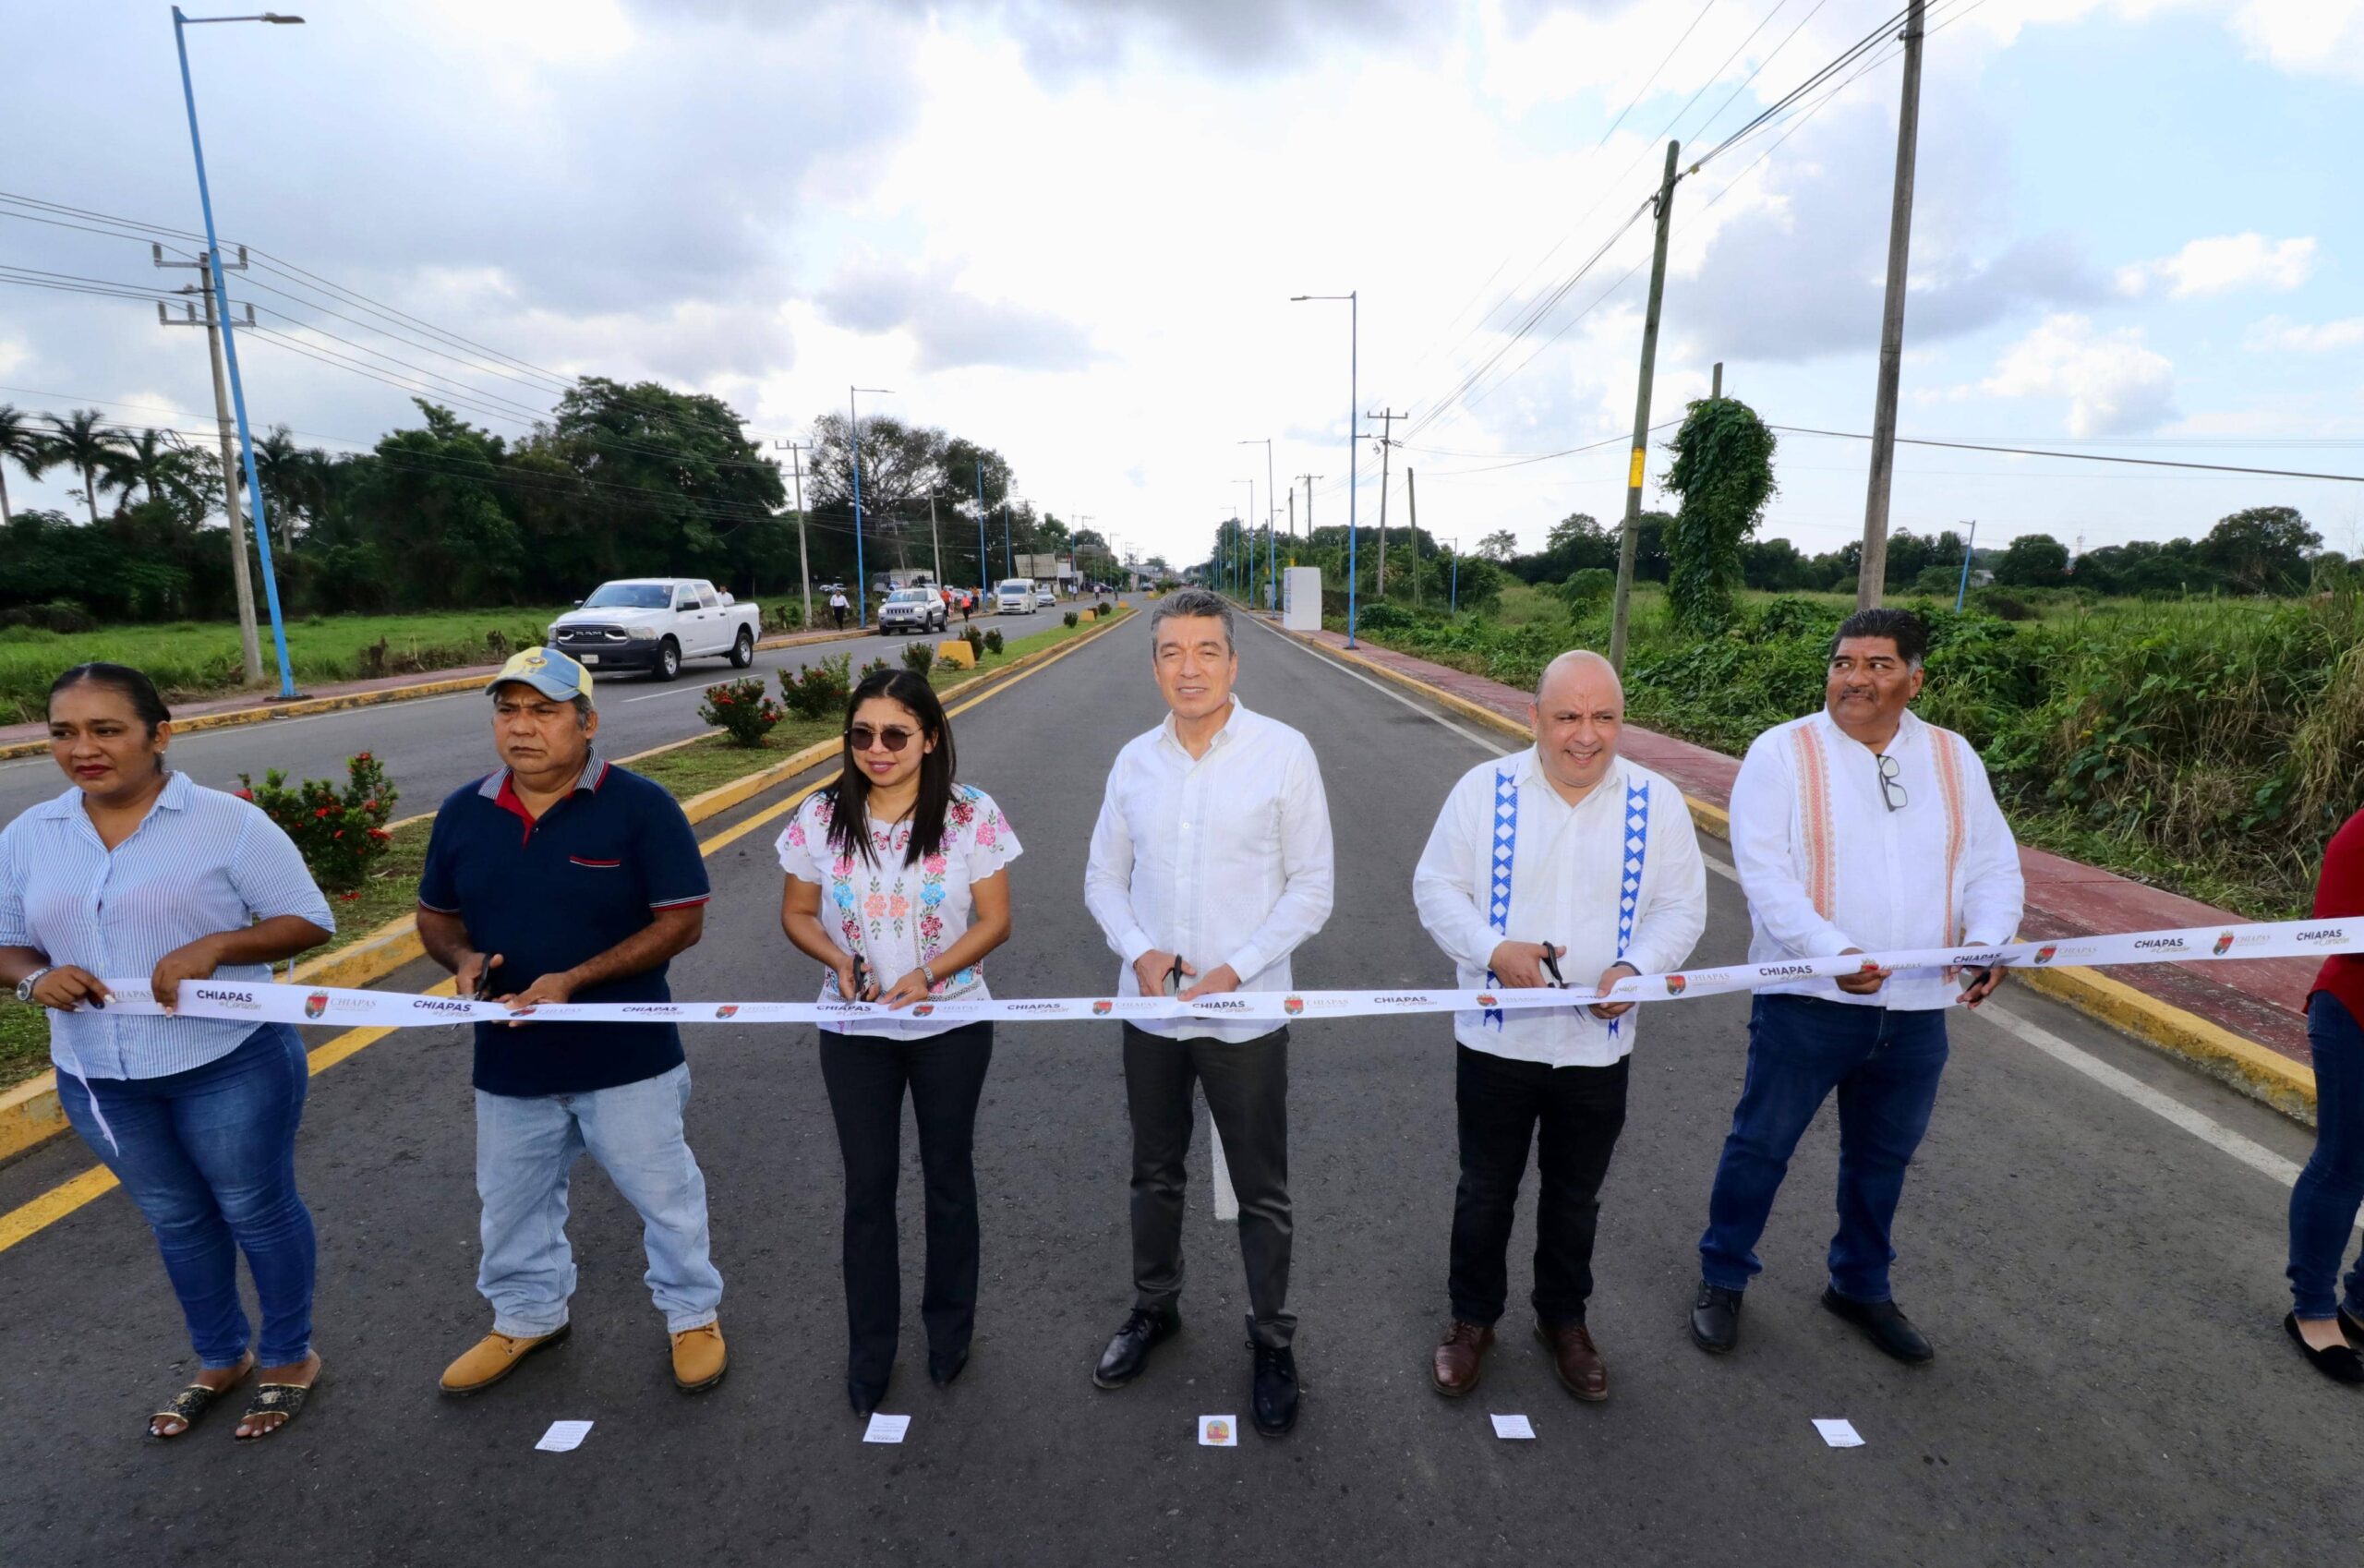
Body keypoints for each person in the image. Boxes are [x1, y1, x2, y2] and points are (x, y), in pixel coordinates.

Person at [0, 663, 334, 1441]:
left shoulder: (226, 823)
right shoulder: (29, 836)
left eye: (106, 729)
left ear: (159, 735)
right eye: (63, 732)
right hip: (100, 1075)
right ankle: (221, 1358)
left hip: (229, 1058)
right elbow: (7, 943)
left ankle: (289, 1357)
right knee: (177, 1220)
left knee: (256, 1207)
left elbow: (309, 920)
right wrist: (36, 978)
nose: (83, 748)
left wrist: (217, 944)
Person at [1690, 607, 2024, 1364]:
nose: (1857, 679)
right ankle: (1723, 1277)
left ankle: (1860, 1287)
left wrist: (1987, 942)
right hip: (1809, 1001)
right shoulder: (1782, 754)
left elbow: (1991, 864)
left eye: (1878, 665)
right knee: (1761, 1146)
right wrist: (1832, 952)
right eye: (1845, 663)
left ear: (1915, 677)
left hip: (1916, 1010)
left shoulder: (1952, 756)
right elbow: (1767, 878)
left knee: (1882, 1161)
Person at [416, 646, 729, 1397]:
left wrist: (576, 980)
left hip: (627, 1057)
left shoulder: (641, 806)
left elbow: (681, 921)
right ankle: (526, 1317)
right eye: (508, 710)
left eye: (544, 711)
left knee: (665, 1198)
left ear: (586, 723)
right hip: (510, 1060)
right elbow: (435, 915)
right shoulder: (465, 811)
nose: (522, 728)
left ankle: (692, 1316)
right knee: (512, 1204)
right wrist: (459, 957)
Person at [1412, 650, 1706, 1402]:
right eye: (1568, 716)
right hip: (1497, 1042)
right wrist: (1491, 950)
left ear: (1621, 721)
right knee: (1486, 1189)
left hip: (1598, 1047)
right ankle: (1472, 1320)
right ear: (1533, 718)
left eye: (1603, 717)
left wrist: (1637, 967)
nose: (1586, 735)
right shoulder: (1484, 791)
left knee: (1577, 1196)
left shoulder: (1657, 801)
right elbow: (1437, 886)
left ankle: (1563, 1321)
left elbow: (1680, 907)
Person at [1083, 585, 1334, 1437]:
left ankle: (1270, 1337)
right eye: (1171, 653)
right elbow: (1102, 879)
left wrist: (1238, 967)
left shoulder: (1284, 753)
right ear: (1153, 663)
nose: (1188, 669)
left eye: (1206, 652)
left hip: (1247, 1015)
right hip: (1150, 1013)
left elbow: (1312, 889)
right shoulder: (1132, 762)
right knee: (1154, 1174)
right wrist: (1140, 951)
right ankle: (1155, 1309)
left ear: (1234, 661)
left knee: (1261, 1188)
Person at [778, 669, 1020, 1417]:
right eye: (860, 734)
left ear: (930, 738)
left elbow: (993, 922)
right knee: (867, 1190)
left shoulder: (971, 814)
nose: (875, 750)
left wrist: (928, 973)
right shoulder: (819, 816)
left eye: (894, 735)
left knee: (948, 1179)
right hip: (853, 1030)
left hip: (950, 1023)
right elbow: (798, 913)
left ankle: (949, 1335)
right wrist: (835, 960)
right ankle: (870, 1353)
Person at [2285, 808, 2364, 1383]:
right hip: (2355, 1013)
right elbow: (2336, 922)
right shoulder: (2361, 832)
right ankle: (2312, 1309)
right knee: (2345, 1164)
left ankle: (2359, 1303)